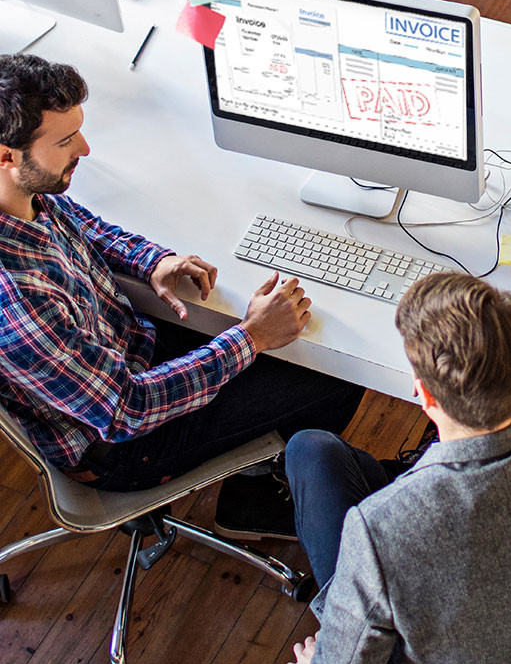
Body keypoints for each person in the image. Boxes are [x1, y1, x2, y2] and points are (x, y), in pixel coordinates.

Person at [0, 53, 363, 540]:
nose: (84, 149)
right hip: (126, 443)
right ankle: (254, 500)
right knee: (336, 377)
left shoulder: (23, 193)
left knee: (295, 343)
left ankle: (259, 473)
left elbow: (76, 221)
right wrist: (251, 338)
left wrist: (152, 260)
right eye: (66, 141)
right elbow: (127, 409)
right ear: (6, 155)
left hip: (131, 348)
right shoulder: (16, 299)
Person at [285, 271, 511, 664]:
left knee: (310, 452)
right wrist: (494, 364)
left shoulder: (381, 530)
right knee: (328, 456)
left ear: (423, 395)